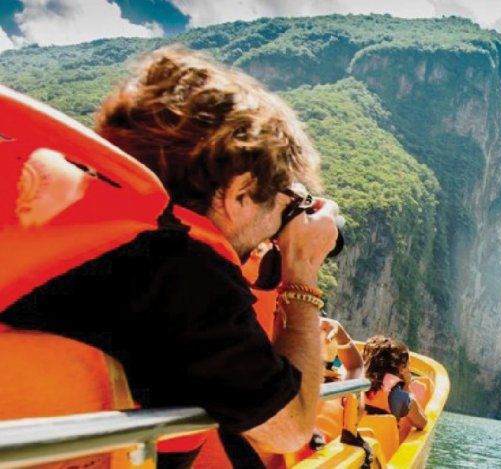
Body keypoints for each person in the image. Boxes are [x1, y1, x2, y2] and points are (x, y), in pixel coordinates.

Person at [0, 45, 339, 465]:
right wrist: (302, 276)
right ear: (240, 193)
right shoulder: (184, 272)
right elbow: (289, 430)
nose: (281, 226)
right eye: (286, 203)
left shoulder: (100, 236)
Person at [362, 335, 427, 431]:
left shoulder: (357, 382)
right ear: (402, 368)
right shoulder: (399, 397)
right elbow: (422, 423)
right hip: (382, 441)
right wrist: (407, 384)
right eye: (408, 366)